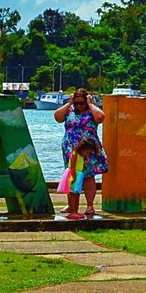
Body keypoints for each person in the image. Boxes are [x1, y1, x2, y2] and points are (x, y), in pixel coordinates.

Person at [54, 88, 106, 219]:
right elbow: (57, 117)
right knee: (72, 175)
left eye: (81, 103)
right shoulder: (69, 111)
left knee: (88, 176)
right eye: (76, 103)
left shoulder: (91, 111)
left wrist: (91, 104)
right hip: (71, 148)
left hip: (88, 148)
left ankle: (90, 205)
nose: (79, 106)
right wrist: (68, 103)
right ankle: (71, 205)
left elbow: (101, 117)